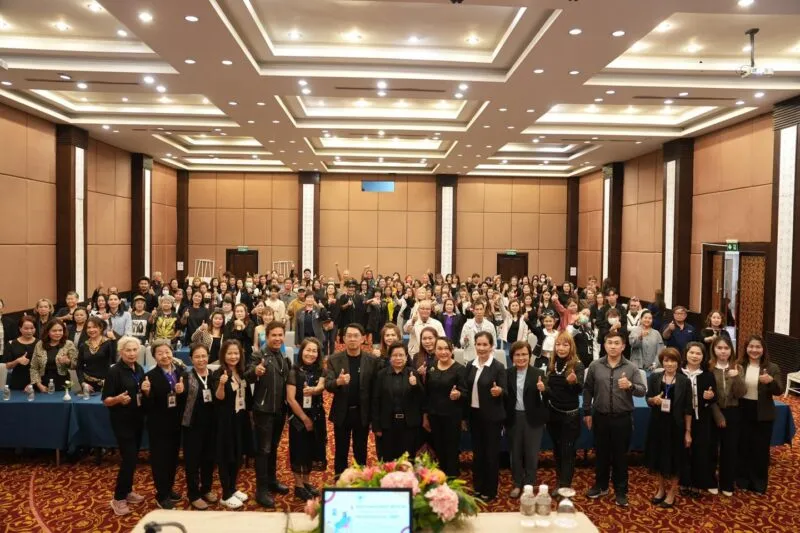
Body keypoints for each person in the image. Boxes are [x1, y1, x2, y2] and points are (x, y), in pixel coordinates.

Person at [583, 331, 646, 507]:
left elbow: (642, 391)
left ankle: (620, 491)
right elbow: (588, 389)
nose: (613, 346)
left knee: (620, 457)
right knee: (601, 454)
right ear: (604, 345)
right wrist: (587, 412)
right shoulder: (595, 366)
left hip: (622, 419)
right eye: (609, 342)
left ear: (623, 346)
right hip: (600, 417)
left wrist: (630, 386)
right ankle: (601, 486)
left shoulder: (631, 367)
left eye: (616, 343)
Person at [246, 321, 291, 508]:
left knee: (273, 447)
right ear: (267, 336)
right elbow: (248, 374)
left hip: (279, 410)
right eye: (274, 335)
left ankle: (272, 481)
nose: (278, 338)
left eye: (281, 335)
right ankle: (261, 490)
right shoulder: (258, 355)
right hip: (263, 410)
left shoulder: (282, 355)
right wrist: (255, 371)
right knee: (263, 451)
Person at [325, 323, 380, 476]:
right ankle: (339, 480)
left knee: (361, 450)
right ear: (343, 338)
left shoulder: (372, 360)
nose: (352, 339)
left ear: (363, 338)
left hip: (362, 412)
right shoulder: (334, 359)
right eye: (349, 336)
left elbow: (375, 388)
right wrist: (338, 382)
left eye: (356, 336)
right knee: (341, 450)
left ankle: (360, 480)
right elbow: (328, 385)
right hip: (342, 412)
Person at [644, 347, 692, 509]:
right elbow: (648, 399)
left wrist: (688, 432)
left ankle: (672, 492)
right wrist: (653, 400)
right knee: (658, 458)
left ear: (678, 363)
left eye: (673, 361)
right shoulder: (655, 378)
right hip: (658, 424)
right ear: (662, 362)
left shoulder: (684, 381)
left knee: (676, 460)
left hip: (676, 426)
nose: (669, 364)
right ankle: (661, 489)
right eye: (666, 360)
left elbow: (688, 409)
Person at [103, 336, 146, 516]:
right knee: (129, 459)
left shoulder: (139, 368)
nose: (132, 353)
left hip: (137, 419)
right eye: (128, 350)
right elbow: (106, 400)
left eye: (135, 350)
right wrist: (118, 399)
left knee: (133, 458)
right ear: (121, 352)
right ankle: (118, 498)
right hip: (122, 421)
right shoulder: (114, 371)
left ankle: (127, 491)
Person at [736, 335, 783, 494]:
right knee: (743, 446)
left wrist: (770, 381)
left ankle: (758, 483)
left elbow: (779, 390)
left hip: (763, 412)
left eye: (758, 347)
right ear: (746, 348)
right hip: (743, 409)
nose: (754, 350)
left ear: (763, 349)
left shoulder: (772, 367)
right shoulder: (739, 365)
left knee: (760, 449)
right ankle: (742, 480)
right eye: (751, 346)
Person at [142, 339, 186, 509]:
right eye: (160, 353)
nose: (165, 356)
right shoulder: (150, 376)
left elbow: (184, 399)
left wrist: (182, 392)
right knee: (160, 460)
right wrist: (147, 393)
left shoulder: (180, 372)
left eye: (167, 352)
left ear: (172, 353)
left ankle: (169, 488)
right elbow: (146, 406)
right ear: (154, 357)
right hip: (158, 425)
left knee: (173, 458)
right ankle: (161, 495)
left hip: (176, 422)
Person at [464, 331, 506, 501]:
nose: (481, 348)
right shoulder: (471, 365)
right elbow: (466, 389)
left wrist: (499, 391)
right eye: (478, 344)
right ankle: (478, 486)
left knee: (490, 455)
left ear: (491, 346)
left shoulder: (498, 367)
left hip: (492, 418)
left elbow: (506, 391)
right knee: (478, 453)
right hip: (474, 416)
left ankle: (490, 489)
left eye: (485, 345)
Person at [505, 340, 548, 498]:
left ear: (530, 356)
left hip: (533, 419)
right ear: (512, 357)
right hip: (514, 417)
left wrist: (544, 389)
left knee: (531, 454)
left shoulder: (538, 373)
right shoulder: (507, 373)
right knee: (515, 453)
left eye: (524, 354)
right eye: (517, 355)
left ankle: (529, 483)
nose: (521, 358)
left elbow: (547, 396)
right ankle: (517, 483)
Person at [286, 338, 327, 500]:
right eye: (308, 350)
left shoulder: (320, 370)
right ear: (301, 351)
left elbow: (322, 386)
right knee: (299, 450)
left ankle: (306, 482)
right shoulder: (294, 371)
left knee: (311, 448)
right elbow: (290, 399)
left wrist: (315, 390)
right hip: (298, 417)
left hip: (316, 415)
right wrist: (304, 419)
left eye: (314, 351)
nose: (311, 354)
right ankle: (298, 485)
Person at [214, 339, 253, 509]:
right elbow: (219, 397)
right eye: (229, 353)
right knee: (226, 457)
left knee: (237, 455)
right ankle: (225, 494)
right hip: (226, 421)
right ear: (223, 355)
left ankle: (232, 488)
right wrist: (222, 384)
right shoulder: (219, 373)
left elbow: (246, 395)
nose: (233, 356)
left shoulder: (241, 372)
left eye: (236, 353)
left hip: (240, 418)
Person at [181, 343, 219, 510]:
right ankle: (194, 494)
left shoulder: (213, 375)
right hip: (192, 425)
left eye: (204, 356)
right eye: (197, 357)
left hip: (211, 425)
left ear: (208, 357)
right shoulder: (186, 376)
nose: (201, 359)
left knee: (209, 459)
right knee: (192, 461)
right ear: (191, 359)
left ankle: (206, 489)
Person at [372, 342, 425, 461]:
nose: (398, 358)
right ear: (390, 357)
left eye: (401, 355)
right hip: (387, 424)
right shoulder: (381, 375)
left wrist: (415, 385)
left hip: (408, 424)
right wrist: (376, 426)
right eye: (395, 355)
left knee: (408, 459)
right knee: (387, 459)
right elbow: (376, 401)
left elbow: (421, 399)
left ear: (406, 357)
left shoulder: (413, 373)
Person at [546, 331, 585, 492]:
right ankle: (559, 482)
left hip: (570, 417)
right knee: (557, 450)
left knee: (567, 452)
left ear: (571, 347)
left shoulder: (577, 365)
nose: (561, 348)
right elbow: (551, 390)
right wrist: (543, 389)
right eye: (558, 344)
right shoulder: (552, 364)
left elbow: (580, 390)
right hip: (553, 414)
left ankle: (565, 486)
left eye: (565, 344)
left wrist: (574, 383)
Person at [422, 337, 465, 478]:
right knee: (439, 449)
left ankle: (452, 480)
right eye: (439, 348)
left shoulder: (459, 369)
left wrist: (458, 394)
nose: (443, 352)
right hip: (434, 416)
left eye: (446, 348)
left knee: (451, 451)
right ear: (435, 351)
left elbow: (466, 393)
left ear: (452, 350)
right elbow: (427, 393)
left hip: (452, 417)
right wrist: (425, 415)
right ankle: (441, 479)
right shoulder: (432, 367)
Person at [708, 336, 745, 497]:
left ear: (731, 350)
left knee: (730, 448)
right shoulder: (709, 367)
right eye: (719, 348)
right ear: (714, 350)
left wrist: (736, 377)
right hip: (712, 411)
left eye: (726, 348)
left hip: (733, 411)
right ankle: (710, 480)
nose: (723, 351)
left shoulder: (738, 368)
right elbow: (708, 395)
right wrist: (718, 416)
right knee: (711, 448)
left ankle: (727, 483)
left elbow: (741, 393)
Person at [679, 341, 717, 498]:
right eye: (691, 352)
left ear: (703, 356)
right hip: (680, 419)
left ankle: (697, 483)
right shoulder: (679, 373)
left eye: (698, 353)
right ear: (686, 354)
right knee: (682, 451)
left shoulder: (708, 375)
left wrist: (710, 396)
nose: (694, 356)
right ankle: (683, 481)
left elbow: (714, 398)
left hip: (701, 419)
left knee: (700, 451)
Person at [30, 319, 77, 392]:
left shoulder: (69, 344)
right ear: (48, 332)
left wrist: (68, 361)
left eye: (60, 330)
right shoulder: (40, 344)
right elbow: (34, 367)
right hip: (42, 383)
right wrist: (39, 384)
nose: (58, 333)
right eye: (54, 331)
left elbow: (76, 365)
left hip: (62, 383)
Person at [77, 316, 117, 393]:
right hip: (88, 385)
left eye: (94, 327)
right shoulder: (83, 345)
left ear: (101, 328)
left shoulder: (109, 343)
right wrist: (83, 383)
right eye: (89, 327)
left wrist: (113, 341)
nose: (91, 330)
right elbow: (79, 367)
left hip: (106, 383)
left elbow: (114, 362)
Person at [3, 315, 38, 390]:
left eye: (32, 328)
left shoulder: (40, 343)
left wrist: (33, 383)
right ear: (20, 329)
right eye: (26, 328)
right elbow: (8, 366)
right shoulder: (11, 344)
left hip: (37, 382)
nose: (29, 331)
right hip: (17, 382)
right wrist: (17, 361)